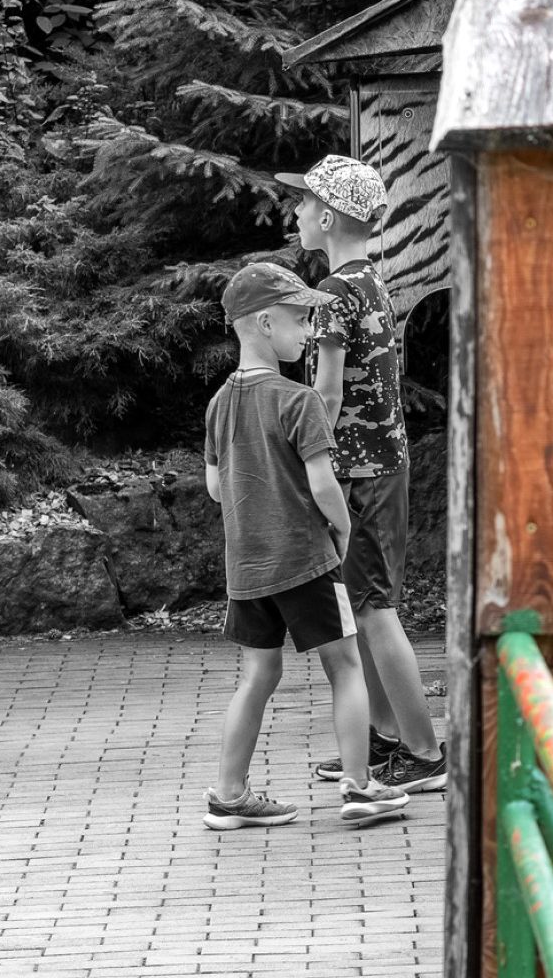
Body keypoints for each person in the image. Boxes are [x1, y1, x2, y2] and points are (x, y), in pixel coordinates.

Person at [203, 261, 410, 829]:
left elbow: (217, 489)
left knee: (258, 675)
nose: (308, 332)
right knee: (344, 666)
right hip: (306, 561)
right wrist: (341, 530)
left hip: (247, 569)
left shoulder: (219, 404)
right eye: (300, 320)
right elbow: (323, 486)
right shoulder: (299, 402)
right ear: (265, 323)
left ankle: (228, 794)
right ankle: (361, 786)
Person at [282, 156, 446, 793]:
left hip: (359, 475)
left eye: (302, 205)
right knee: (363, 606)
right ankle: (381, 740)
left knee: (375, 611)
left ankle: (427, 754)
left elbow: (325, 396)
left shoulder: (329, 298)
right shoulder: (370, 284)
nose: (295, 214)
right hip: (383, 469)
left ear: (326, 217)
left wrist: (301, 460)